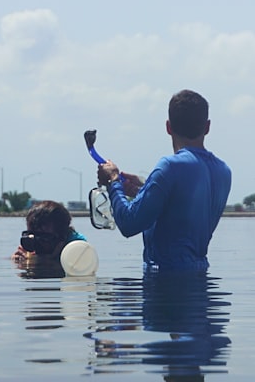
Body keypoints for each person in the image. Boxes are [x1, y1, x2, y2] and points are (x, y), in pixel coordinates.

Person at [97, 89, 232, 273]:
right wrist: (144, 190)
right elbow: (181, 208)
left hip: (163, 281)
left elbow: (129, 224)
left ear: (168, 127)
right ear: (207, 127)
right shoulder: (223, 171)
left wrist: (113, 182)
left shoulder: (170, 166)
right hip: (199, 275)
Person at [13, 200, 87, 264]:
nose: (36, 246)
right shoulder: (30, 251)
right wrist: (19, 260)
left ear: (61, 238)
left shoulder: (78, 249)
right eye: (32, 237)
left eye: (43, 239)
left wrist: (42, 260)